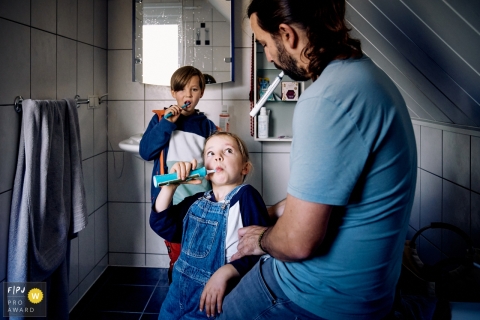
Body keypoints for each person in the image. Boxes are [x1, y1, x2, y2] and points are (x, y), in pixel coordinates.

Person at [217, 1, 418, 319]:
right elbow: (331, 192)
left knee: (226, 310)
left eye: (265, 43)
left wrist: (263, 240)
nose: (268, 55)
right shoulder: (369, 78)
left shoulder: (326, 99)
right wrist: (271, 212)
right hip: (370, 293)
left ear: (287, 34)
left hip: (318, 295)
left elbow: (297, 243)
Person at [150, 131, 271, 319]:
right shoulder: (196, 201)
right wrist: (170, 187)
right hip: (176, 298)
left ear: (244, 168)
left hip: (215, 302)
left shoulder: (246, 196)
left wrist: (226, 272)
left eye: (228, 151)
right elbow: (162, 225)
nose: (218, 157)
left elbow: (260, 250)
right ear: (205, 170)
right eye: (210, 153)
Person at [139, 66, 218, 283]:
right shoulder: (160, 120)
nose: (188, 95)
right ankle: (177, 277)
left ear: (202, 92)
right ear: (173, 92)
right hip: (170, 199)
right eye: (182, 90)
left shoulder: (207, 126)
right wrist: (166, 124)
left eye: (194, 90)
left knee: (200, 248)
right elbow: (146, 152)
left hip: (199, 199)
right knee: (177, 248)